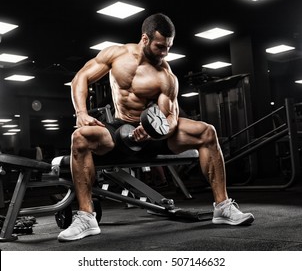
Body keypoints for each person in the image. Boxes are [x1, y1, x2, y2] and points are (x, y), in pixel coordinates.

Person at [58, 13, 254, 242]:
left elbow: (171, 117)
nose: (164, 53)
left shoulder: (166, 77)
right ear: (145, 38)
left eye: (168, 47)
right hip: (121, 127)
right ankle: (86, 217)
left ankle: (223, 207)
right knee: (80, 138)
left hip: (156, 131)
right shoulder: (116, 54)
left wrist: (154, 130)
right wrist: (81, 113)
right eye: (160, 46)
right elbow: (81, 77)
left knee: (207, 132)